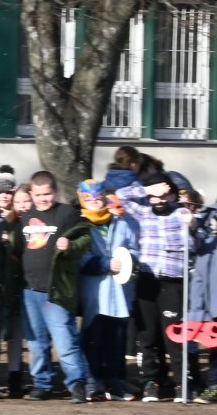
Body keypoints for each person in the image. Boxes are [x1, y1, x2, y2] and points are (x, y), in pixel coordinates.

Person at [10, 172, 83, 401]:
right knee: (36, 342)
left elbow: (85, 240)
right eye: (38, 194)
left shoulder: (67, 213)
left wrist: (71, 245)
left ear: (56, 192)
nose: (43, 199)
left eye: (47, 194)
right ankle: (42, 382)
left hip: (56, 290)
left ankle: (77, 383)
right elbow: (15, 251)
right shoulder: (24, 218)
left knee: (65, 339)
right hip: (29, 290)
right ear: (31, 194)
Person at [124, 166, 194, 401]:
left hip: (173, 282)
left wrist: (190, 227)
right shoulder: (143, 211)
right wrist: (146, 189)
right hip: (147, 280)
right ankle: (150, 382)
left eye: (164, 195)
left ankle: (181, 383)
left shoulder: (181, 215)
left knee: (173, 336)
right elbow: (118, 196)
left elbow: (193, 248)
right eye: (155, 195)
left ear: (173, 195)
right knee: (147, 336)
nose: (159, 199)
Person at [77, 180, 137, 402]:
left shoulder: (119, 223)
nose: (95, 202)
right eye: (89, 199)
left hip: (119, 292)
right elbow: (79, 258)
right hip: (94, 292)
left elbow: (132, 248)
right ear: (83, 200)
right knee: (92, 338)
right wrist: (105, 263)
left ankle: (114, 382)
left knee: (115, 340)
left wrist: (131, 261)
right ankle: (92, 384)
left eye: (99, 197)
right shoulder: (80, 224)